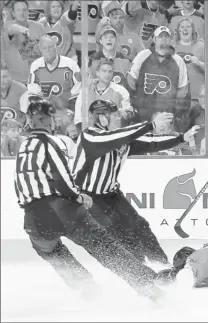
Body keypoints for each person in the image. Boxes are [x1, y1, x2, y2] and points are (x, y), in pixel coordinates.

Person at [14, 95, 166, 302]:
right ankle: (149, 286)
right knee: (106, 249)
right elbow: (62, 181)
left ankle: (86, 286)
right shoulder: (51, 144)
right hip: (62, 211)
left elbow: (20, 186)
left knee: (50, 250)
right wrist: (78, 197)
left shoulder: (23, 147)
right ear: (48, 120)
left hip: (33, 219)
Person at [71, 99, 199, 267]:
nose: (119, 118)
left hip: (111, 194)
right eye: (115, 115)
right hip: (87, 197)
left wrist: (181, 138)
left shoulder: (119, 138)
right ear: (102, 119)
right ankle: (138, 275)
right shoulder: (90, 136)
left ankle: (162, 266)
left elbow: (151, 143)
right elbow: (117, 137)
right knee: (116, 235)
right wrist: (151, 124)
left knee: (139, 226)